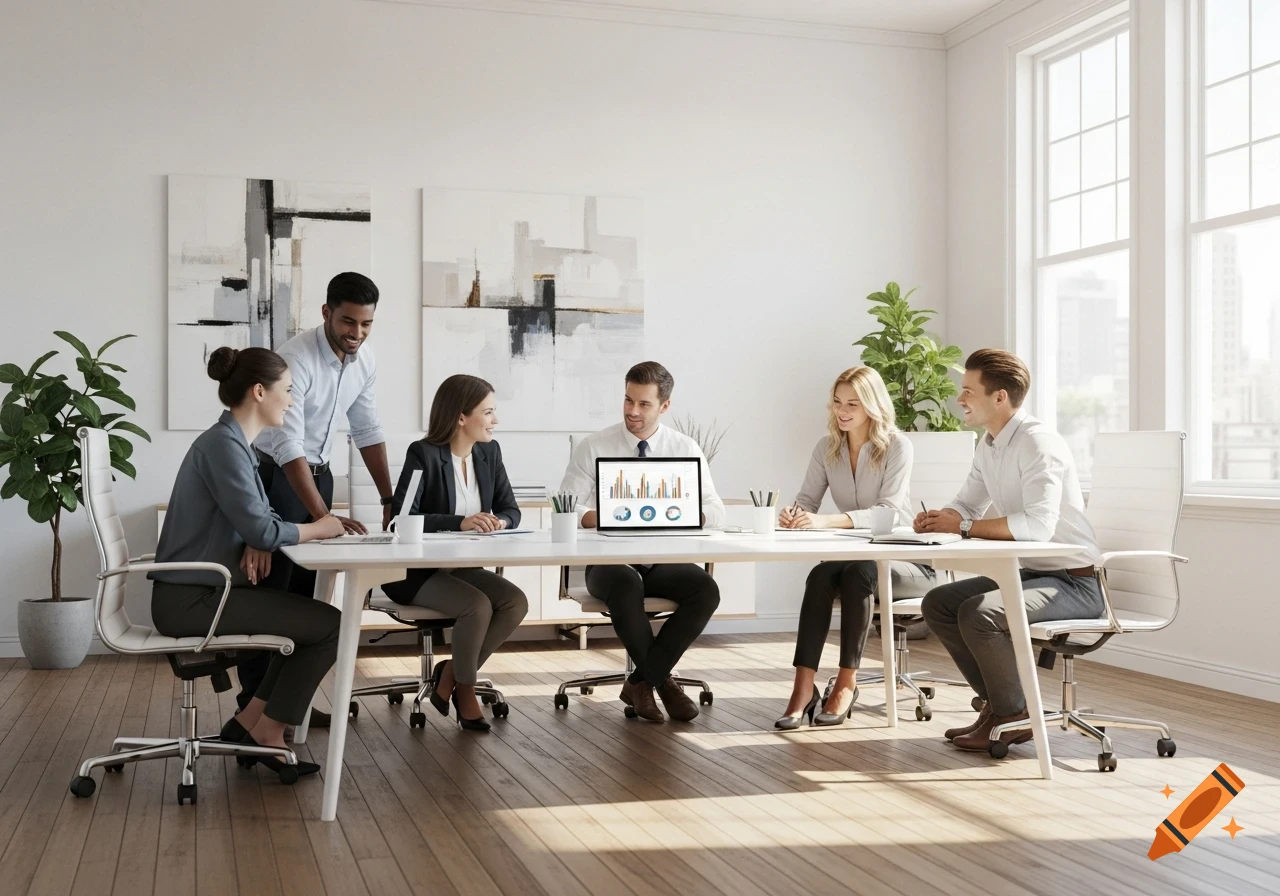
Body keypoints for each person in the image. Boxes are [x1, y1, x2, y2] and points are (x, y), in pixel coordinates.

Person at [148, 347, 346, 778]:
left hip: (202, 593)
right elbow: (263, 528)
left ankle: (249, 724)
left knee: (306, 626)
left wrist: (262, 534)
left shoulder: (236, 445)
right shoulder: (225, 447)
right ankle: (269, 732)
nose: (293, 402)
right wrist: (321, 525)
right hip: (193, 600)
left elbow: (259, 520)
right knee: (332, 626)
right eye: (288, 391)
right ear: (260, 391)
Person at [914, 349, 1103, 753]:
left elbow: (1038, 526)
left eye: (968, 391)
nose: (959, 399)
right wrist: (941, 518)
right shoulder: (990, 444)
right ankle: (1003, 708)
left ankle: (1013, 715)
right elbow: (967, 504)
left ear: (999, 397)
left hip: (1075, 583)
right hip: (1033, 573)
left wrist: (961, 526)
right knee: (939, 603)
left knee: (980, 614)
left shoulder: (1038, 443)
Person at [242, 272, 395, 727]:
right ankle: (251, 714)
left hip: (318, 477)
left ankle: (290, 708)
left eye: (366, 324)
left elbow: (367, 429)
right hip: (276, 479)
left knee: (307, 598)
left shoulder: (364, 360)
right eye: (349, 322)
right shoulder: (295, 360)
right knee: (273, 598)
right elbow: (288, 447)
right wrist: (324, 517)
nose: (357, 334)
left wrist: (389, 496)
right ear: (326, 313)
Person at [558, 361, 723, 723]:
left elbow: (715, 509)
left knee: (706, 590)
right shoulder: (595, 445)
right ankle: (662, 682)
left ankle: (641, 681)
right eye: (628, 400)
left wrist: (678, 511)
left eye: (644, 404)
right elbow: (567, 507)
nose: (633, 411)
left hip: (662, 561)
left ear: (664, 406)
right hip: (608, 564)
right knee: (626, 581)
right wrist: (605, 516)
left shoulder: (684, 447)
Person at [774, 366, 934, 729]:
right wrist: (794, 513)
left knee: (860, 571)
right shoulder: (827, 447)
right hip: (855, 560)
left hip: (907, 564)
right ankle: (802, 688)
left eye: (853, 404)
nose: (842, 411)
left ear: (872, 406)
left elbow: (889, 512)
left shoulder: (897, 446)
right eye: (837, 403)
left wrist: (825, 520)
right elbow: (807, 501)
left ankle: (847, 681)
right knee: (820, 575)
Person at [383, 375, 529, 732]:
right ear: (461, 417)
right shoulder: (424, 453)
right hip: (414, 572)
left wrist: (499, 522)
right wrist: (460, 522)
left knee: (515, 602)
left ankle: (449, 670)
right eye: (489, 412)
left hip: (462, 566)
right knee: (476, 606)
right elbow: (403, 517)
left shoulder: (489, 452)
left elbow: (512, 509)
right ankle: (465, 690)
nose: (496, 420)